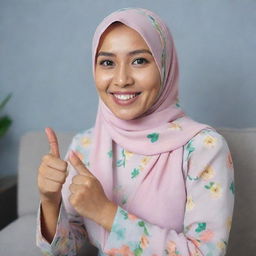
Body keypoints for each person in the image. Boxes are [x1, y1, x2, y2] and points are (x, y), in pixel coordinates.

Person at [36, 7, 234, 256]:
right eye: (107, 62)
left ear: (164, 65)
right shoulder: (86, 144)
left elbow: (206, 253)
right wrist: (50, 201)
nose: (121, 79)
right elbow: (67, 249)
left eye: (139, 60)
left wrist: (106, 213)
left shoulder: (204, 148)